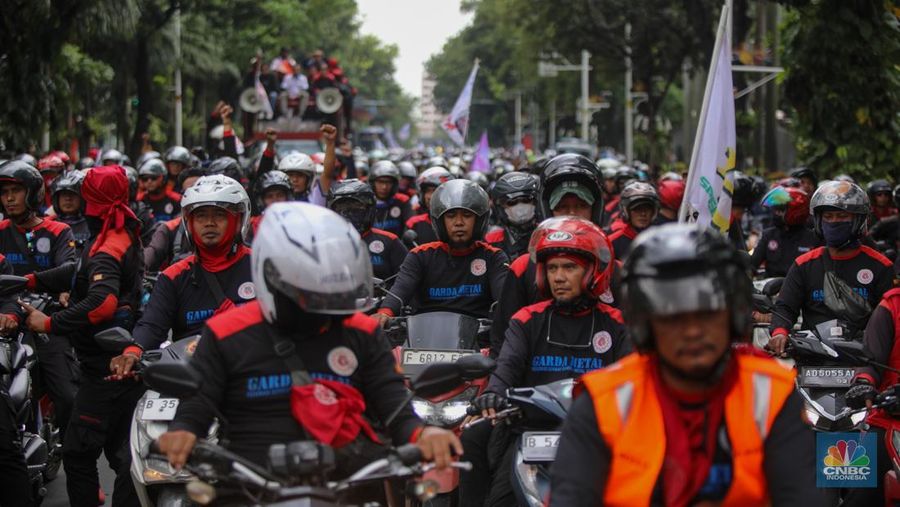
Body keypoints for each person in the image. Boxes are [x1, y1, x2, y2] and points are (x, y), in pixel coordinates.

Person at [156, 203, 462, 477]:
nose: (324, 305)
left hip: (348, 480)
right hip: (250, 483)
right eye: (311, 292)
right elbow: (198, 402)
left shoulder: (362, 331)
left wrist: (423, 435)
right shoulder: (226, 332)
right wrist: (183, 431)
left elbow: (393, 404)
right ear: (273, 278)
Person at [549, 223, 824, 506]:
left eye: (706, 314)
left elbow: (800, 495)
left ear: (732, 317)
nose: (692, 331)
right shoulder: (602, 401)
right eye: (673, 317)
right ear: (646, 326)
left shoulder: (771, 393)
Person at [462, 217, 631, 506]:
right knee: (473, 437)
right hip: (529, 429)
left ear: (593, 271)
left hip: (597, 433)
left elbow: (632, 378)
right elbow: (507, 367)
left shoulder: (617, 323)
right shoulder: (526, 320)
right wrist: (491, 395)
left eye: (569, 267)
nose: (559, 277)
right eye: (552, 268)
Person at [21, 165, 145, 507]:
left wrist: (50, 323)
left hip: (104, 368)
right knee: (123, 455)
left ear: (91, 199)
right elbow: (79, 273)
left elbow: (101, 303)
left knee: (77, 454)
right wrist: (32, 281)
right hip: (115, 364)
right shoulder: (115, 231)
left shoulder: (110, 242)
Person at [111, 175, 252, 379]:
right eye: (201, 216)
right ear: (189, 222)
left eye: (219, 215)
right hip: (190, 380)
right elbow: (151, 325)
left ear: (238, 219)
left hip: (248, 374)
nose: (209, 223)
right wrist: (132, 353)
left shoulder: (262, 268)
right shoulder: (173, 276)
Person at [490, 153, 609, 356]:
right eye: (562, 207)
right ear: (547, 210)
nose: (572, 214)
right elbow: (503, 344)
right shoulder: (523, 267)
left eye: (581, 206)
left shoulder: (613, 268)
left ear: (595, 209)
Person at [0, 161, 79, 447]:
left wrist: (28, 281)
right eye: (4, 192)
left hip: (45, 321)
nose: (9, 198)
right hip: (6, 319)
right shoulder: (1, 230)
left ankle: (73, 458)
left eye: (16, 191)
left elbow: (68, 271)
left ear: (33, 194)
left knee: (69, 398)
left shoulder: (58, 231)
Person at [768, 181, 894, 355]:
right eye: (828, 216)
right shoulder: (804, 264)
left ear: (858, 220)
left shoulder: (880, 266)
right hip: (811, 356)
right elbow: (785, 308)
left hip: (865, 361)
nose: (834, 222)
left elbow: (891, 318)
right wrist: (780, 333)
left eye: (842, 217)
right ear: (819, 221)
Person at [373, 179, 508, 328]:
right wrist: (385, 313)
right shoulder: (420, 255)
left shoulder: (493, 257)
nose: (459, 222)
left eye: (467, 215)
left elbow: (504, 302)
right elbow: (400, 291)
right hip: (422, 339)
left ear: (480, 220)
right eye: (451, 216)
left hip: (478, 343)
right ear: (439, 221)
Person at [328, 179, 407, 283]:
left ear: (370, 209)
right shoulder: (324, 243)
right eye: (341, 207)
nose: (348, 213)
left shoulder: (389, 241)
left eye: (356, 207)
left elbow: (406, 281)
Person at [142, 168, 207, 272]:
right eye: (190, 191)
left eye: (201, 189)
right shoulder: (169, 228)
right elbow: (153, 252)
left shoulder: (225, 223)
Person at [750, 186, 820, 278]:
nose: (775, 214)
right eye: (775, 210)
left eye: (780, 211)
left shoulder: (813, 239)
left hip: (800, 289)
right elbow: (752, 265)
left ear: (795, 212)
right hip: (769, 288)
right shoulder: (769, 235)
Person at [485, 172, 540, 259]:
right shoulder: (490, 242)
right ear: (500, 208)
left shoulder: (547, 235)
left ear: (536, 202)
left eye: (526, 200)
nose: (520, 207)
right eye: (512, 202)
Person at [608, 181, 659, 261]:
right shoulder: (612, 242)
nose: (643, 213)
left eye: (648, 208)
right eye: (637, 209)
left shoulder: (661, 239)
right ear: (626, 211)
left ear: (654, 211)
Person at [404, 166, 453, 246]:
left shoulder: (457, 223)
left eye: (435, 190)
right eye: (427, 191)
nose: (429, 197)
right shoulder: (414, 223)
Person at [369, 161, 413, 237]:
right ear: (373, 183)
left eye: (388, 182)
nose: (384, 187)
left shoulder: (402, 201)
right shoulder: (366, 202)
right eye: (380, 182)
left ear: (394, 184)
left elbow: (410, 226)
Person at [50, 169, 91, 251]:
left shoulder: (93, 225)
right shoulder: (48, 226)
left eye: (72, 194)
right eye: (64, 194)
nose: (68, 198)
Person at [248, 169, 292, 239]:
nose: (275, 200)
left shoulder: (298, 222)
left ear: (288, 197)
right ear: (261, 201)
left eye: (280, 195)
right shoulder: (251, 225)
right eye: (269, 196)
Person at [137, 158, 182, 223]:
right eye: (145, 179)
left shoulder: (176, 199)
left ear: (163, 179)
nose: (149, 182)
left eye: (153, 178)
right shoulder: (139, 200)